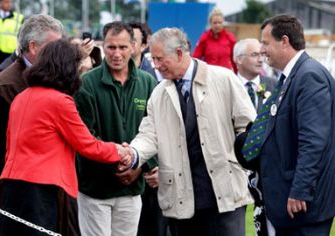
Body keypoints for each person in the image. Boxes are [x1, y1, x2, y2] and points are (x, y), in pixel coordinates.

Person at [128, 27, 256, 236]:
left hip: (225, 198)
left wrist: (242, 165)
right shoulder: (159, 93)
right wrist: (132, 154)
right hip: (181, 202)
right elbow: (149, 134)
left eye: (160, 59)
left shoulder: (224, 79)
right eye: (154, 59)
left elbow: (248, 127)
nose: (156, 66)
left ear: (179, 53)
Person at [0, 39, 132, 236]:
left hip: (11, 185)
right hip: (40, 189)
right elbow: (87, 145)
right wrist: (119, 152)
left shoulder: (22, 97)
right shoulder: (59, 101)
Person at [237, 14, 335, 235]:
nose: (262, 50)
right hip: (288, 206)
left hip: (303, 208)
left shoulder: (309, 76)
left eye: (265, 43)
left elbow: (313, 141)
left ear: (284, 41)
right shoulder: (293, 76)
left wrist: (300, 190)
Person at [74, 21, 158, 236]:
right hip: (95, 189)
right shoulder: (86, 84)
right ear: (103, 47)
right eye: (111, 47)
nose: (117, 53)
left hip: (131, 189)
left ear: (134, 46)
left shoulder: (148, 83)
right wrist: (118, 162)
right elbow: (83, 136)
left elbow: (158, 130)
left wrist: (140, 165)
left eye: (122, 47)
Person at [0, 14, 63, 235]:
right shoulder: (3, 86)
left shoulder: (57, 78)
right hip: (19, 193)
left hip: (54, 189)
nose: (59, 53)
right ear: (33, 47)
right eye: (53, 47)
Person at [128, 21, 170, 236]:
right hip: (125, 169)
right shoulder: (104, 77)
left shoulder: (155, 79)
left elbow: (162, 129)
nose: (129, 46)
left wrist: (154, 166)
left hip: (151, 173)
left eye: (133, 40)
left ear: (143, 44)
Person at [233, 38, 277, 236]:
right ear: (238, 59)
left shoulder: (275, 85)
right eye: (254, 55)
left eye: (261, 54)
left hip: (266, 168)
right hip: (235, 165)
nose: (261, 59)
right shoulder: (228, 85)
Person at [0, 0, 24, 80]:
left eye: (10, 2)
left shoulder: (18, 18)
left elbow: (22, 37)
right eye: (6, 2)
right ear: (0, 2)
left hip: (10, 55)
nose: (9, 4)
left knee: (9, 78)